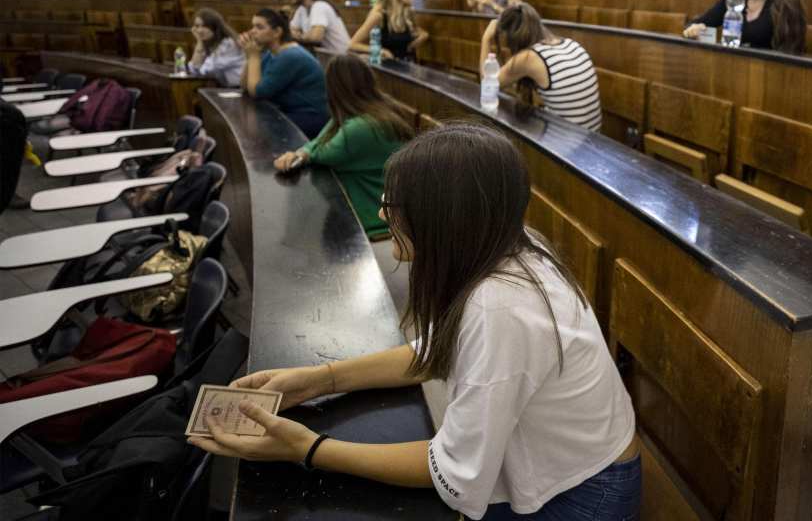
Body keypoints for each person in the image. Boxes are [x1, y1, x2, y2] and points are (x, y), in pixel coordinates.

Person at [189, 124, 640, 520]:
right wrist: (317, 380)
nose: (383, 214)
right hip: (560, 469)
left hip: (581, 497)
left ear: (444, 218)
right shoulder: (500, 245)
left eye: (395, 205)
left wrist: (306, 448)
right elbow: (434, 349)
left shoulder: (501, 307)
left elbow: (455, 476)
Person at [272, 54, 416, 236]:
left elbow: (323, 152)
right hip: (383, 208)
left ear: (333, 88)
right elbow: (319, 139)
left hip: (378, 221)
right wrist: (303, 151)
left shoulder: (360, 127)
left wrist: (304, 154)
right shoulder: (374, 107)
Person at [479, 3, 603, 132]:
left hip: (569, 144)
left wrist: (486, 38)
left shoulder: (529, 58)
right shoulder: (571, 43)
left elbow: (487, 84)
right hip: (593, 135)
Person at [238, 8, 330, 138]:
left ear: (277, 32)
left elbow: (257, 92)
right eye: (253, 26)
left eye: (259, 27)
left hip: (308, 117)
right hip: (287, 112)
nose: (252, 32)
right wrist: (250, 55)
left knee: (254, 129)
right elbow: (245, 86)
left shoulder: (290, 55)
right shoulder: (270, 53)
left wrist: (253, 56)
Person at [348, 0, 429, 61]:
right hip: (389, 66)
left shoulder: (406, 14)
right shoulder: (379, 15)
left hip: (407, 64)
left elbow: (416, 35)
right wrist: (381, 51)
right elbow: (352, 44)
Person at [287, 0, 352, 54]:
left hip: (340, 58)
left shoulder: (320, 6)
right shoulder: (302, 9)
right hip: (325, 57)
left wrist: (300, 36)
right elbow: (289, 32)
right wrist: (304, 36)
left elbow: (315, 37)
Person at [186, 8, 245, 87]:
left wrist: (200, 44)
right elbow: (193, 69)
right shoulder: (209, 43)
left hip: (240, 90)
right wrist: (199, 42)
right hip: (227, 89)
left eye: (204, 26)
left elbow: (205, 70)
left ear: (215, 27)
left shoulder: (229, 44)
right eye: (197, 26)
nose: (199, 30)